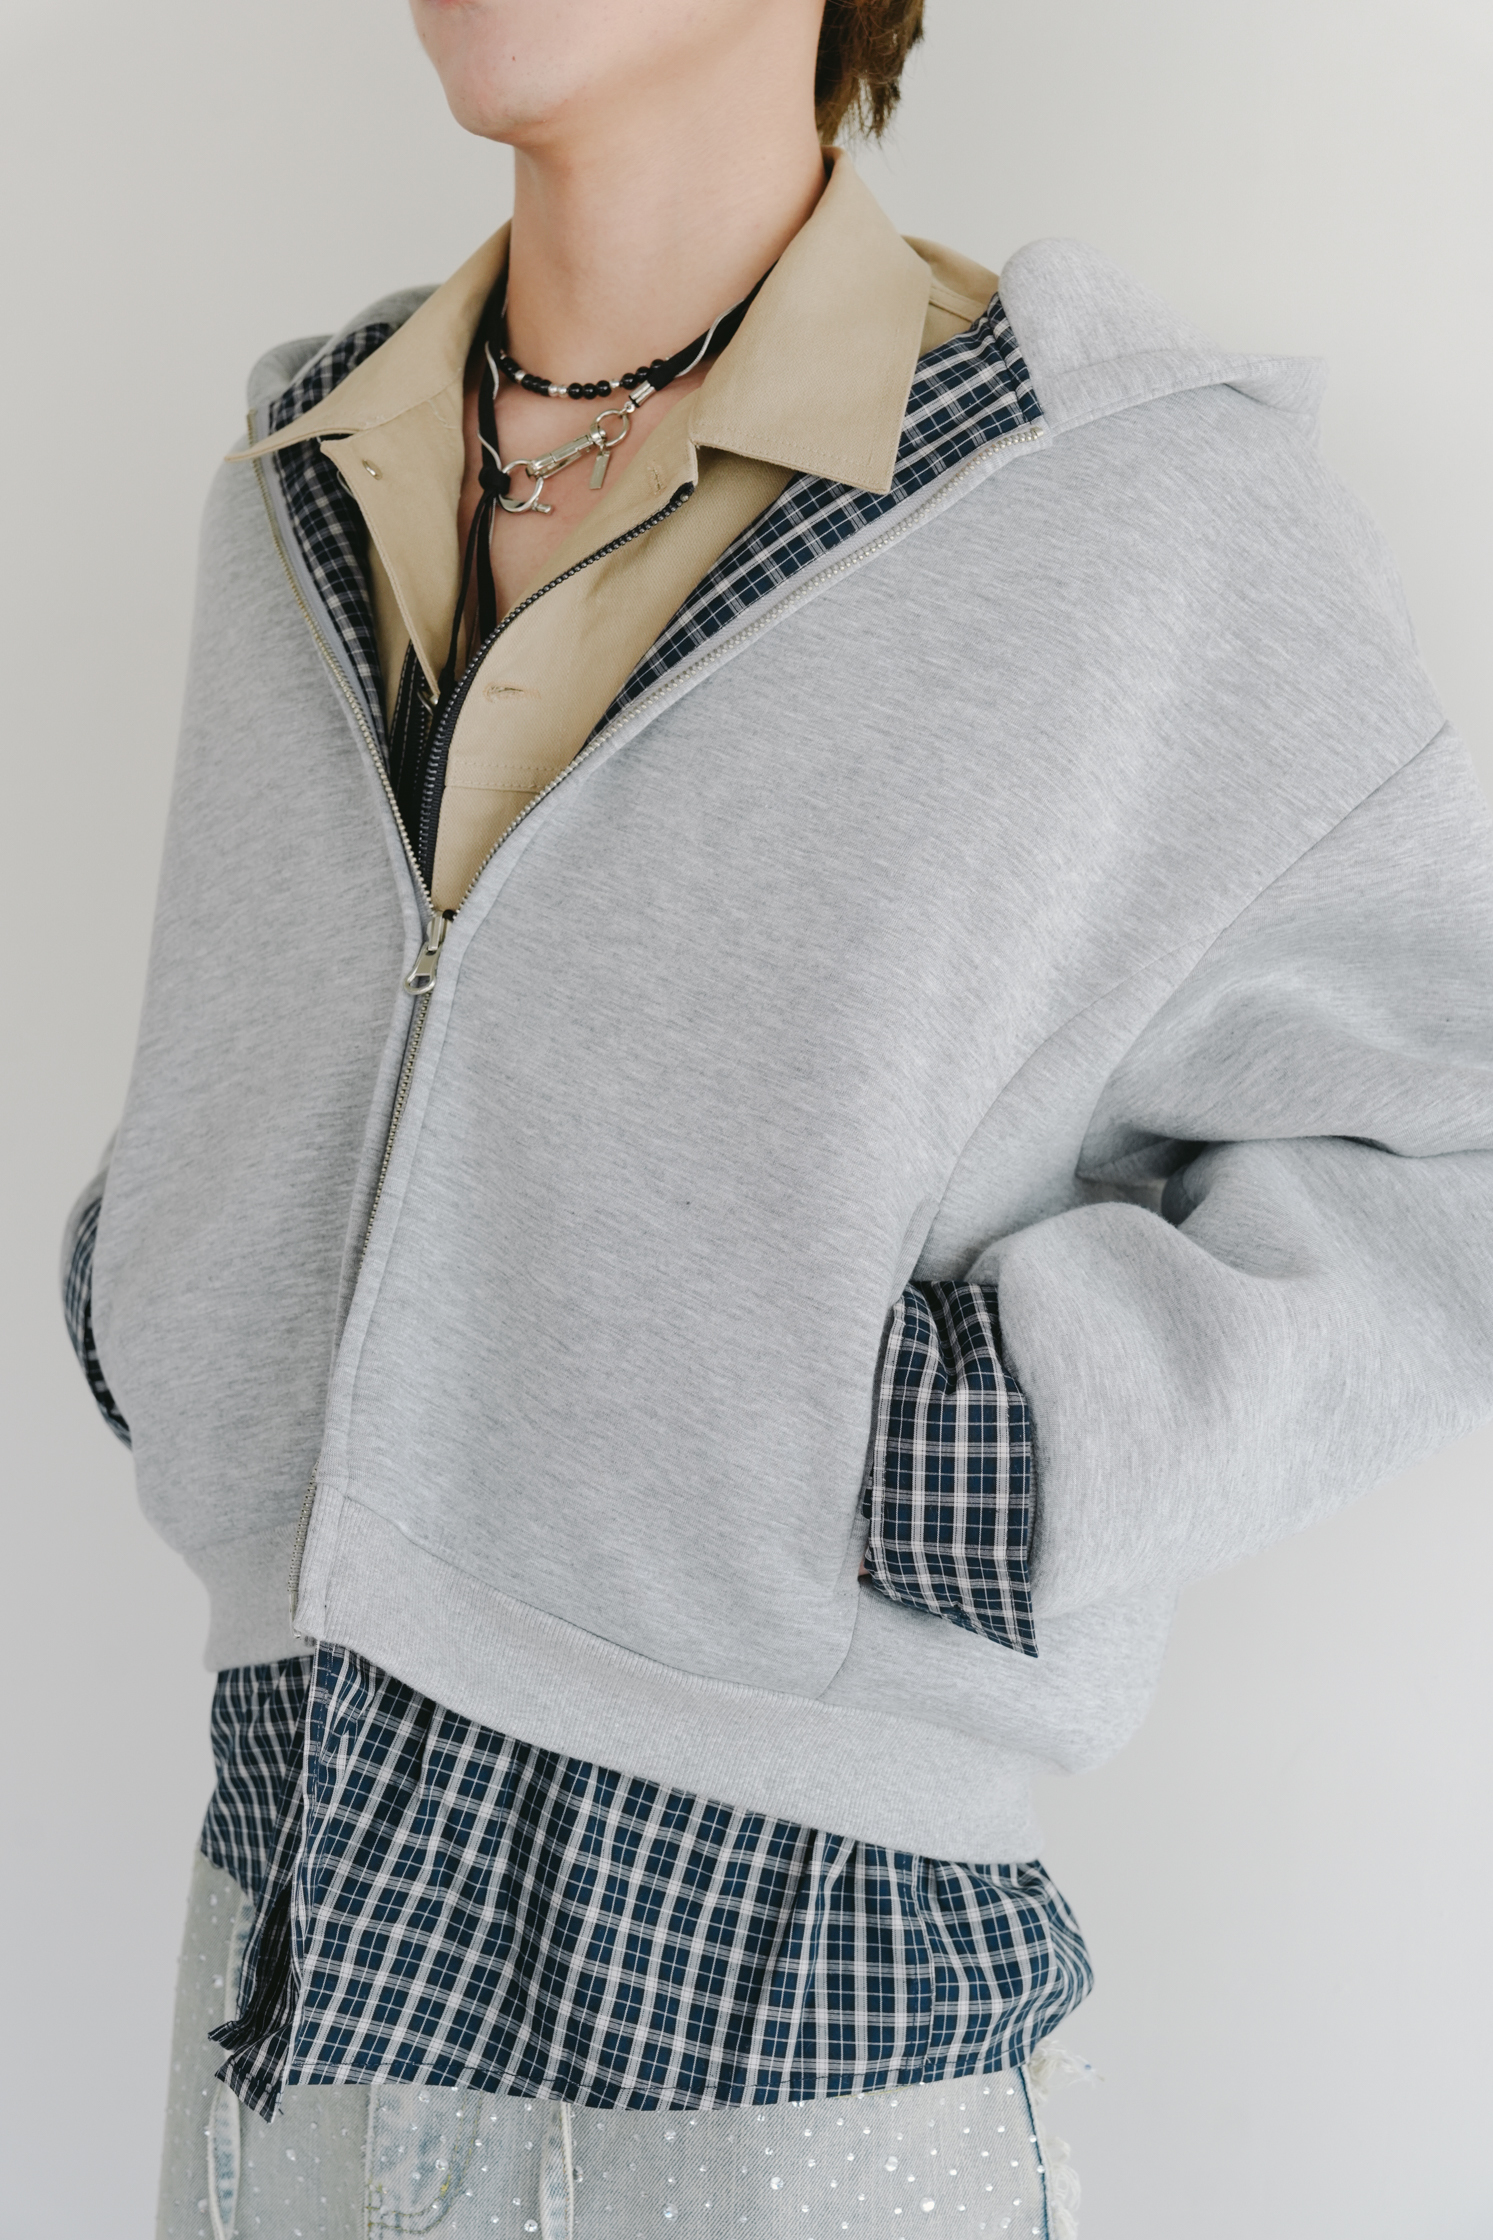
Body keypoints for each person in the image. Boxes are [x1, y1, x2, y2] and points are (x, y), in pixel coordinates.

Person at [60, 0, 1493, 2234]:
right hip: (281, 1959)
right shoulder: (306, 474)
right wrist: (151, 1271)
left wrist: (974, 1454)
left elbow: (1452, 1136)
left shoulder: (1131, 513)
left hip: (785, 2039)